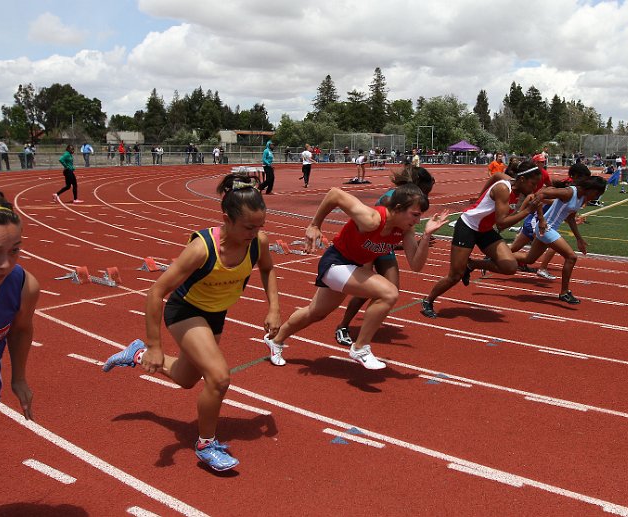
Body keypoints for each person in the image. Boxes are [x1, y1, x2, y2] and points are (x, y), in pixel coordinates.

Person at [102, 173, 281, 472]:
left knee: (187, 379)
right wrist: (155, 345)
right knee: (219, 378)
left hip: (215, 314)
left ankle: (136, 354)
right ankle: (206, 444)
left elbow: (268, 269)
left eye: (260, 226)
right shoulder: (202, 249)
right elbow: (156, 291)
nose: (255, 232)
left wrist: (274, 308)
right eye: (248, 226)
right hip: (184, 311)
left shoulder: (257, 242)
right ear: (226, 218)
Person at [264, 184, 449, 369]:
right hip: (336, 263)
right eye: (415, 214)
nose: (418, 221)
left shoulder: (405, 229)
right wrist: (314, 225)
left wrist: (426, 236)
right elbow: (334, 193)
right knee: (389, 293)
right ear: (399, 208)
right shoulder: (372, 220)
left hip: (352, 268)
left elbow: (416, 265)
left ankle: (276, 340)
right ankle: (360, 348)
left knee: (315, 313)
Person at [420, 161, 544, 318]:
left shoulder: (513, 184)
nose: (534, 188)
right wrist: (527, 211)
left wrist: (480, 197)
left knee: (510, 266)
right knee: (455, 275)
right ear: (522, 179)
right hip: (468, 226)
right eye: (533, 184)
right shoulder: (503, 189)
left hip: (484, 230)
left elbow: (497, 175)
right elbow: (501, 224)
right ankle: (428, 300)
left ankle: (472, 264)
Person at [334, 166, 435, 347]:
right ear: (417, 186)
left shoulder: (411, 203)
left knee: (392, 289)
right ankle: (343, 326)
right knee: (366, 289)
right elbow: (378, 232)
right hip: (372, 245)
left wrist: (419, 243)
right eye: (426, 191)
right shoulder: (391, 198)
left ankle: (367, 328)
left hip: (386, 247)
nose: (426, 197)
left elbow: (401, 239)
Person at [513, 177, 607, 304]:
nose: (595, 197)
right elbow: (540, 194)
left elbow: (571, 218)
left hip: (548, 229)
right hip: (546, 229)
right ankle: (564, 292)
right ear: (591, 189)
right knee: (571, 257)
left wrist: (579, 239)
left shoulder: (581, 198)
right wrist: (541, 219)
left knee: (529, 259)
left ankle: (496, 256)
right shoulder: (569, 192)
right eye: (596, 194)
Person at [0, 192, 39, 420]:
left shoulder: (24, 286)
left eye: (14, 251)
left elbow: (21, 328)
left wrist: (19, 377)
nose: (4, 264)